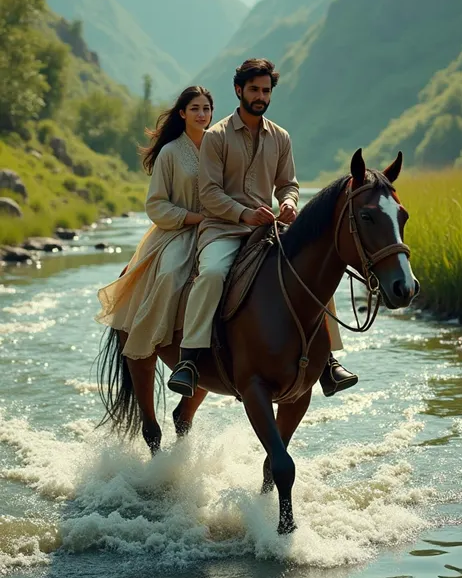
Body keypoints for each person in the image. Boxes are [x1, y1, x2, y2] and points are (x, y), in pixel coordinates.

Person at [167, 59, 358, 398]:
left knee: (315, 273)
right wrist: (243, 214)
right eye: (253, 89)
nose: (260, 96)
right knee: (211, 274)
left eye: (265, 90)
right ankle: (190, 359)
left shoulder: (281, 137)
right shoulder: (216, 137)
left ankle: (327, 361)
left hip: (268, 230)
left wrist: (289, 203)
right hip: (222, 230)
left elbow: (289, 183)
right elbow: (208, 193)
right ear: (239, 90)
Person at [95, 86, 213, 451]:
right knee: (169, 273)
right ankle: (149, 337)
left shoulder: (219, 145)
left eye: (207, 109)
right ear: (182, 113)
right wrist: (193, 217)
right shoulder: (170, 153)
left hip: (219, 229)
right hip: (177, 232)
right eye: (195, 108)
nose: (202, 114)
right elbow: (156, 205)